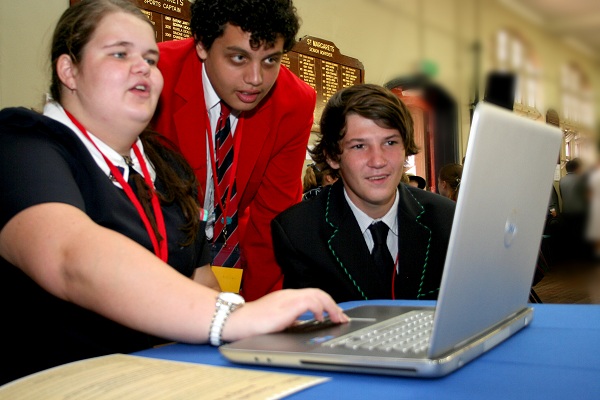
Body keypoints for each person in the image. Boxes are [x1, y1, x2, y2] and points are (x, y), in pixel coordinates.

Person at [0, 0, 346, 384]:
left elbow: (201, 280)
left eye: (150, 59)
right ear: (70, 69)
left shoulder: (167, 168)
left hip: (162, 377)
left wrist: (257, 331)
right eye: (119, 53)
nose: (142, 68)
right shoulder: (20, 143)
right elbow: (69, 256)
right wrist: (232, 317)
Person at [153, 0, 315, 301]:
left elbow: (273, 220)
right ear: (202, 44)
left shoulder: (294, 103)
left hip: (234, 244)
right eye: (239, 57)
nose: (256, 79)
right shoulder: (155, 75)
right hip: (159, 243)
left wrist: (257, 314)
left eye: (270, 60)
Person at [271, 84, 456, 303]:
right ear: (332, 156)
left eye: (390, 142)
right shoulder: (299, 231)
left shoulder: (448, 219)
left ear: (405, 147)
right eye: (359, 146)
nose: (378, 161)